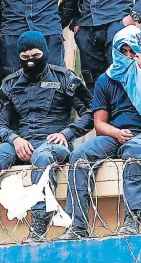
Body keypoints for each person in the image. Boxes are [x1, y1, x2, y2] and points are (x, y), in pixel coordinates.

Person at [0, 31, 93, 247]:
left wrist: (66, 134)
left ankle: (38, 228)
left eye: (36, 55)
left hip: (52, 145)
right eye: (25, 57)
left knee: (42, 156)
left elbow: (91, 113)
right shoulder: (10, 85)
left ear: (45, 53)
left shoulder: (65, 79)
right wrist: (14, 139)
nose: (31, 61)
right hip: (21, 144)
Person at [59, 25, 141, 240]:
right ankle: (77, 225)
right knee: (79, 156)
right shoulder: (106, 80)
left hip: (138, 137)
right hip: (115, 134)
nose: (129, 56)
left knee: (134, 151)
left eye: (133, 50)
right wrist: (116, 133)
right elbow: (99, 123)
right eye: (124, 51)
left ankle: (133, 218)